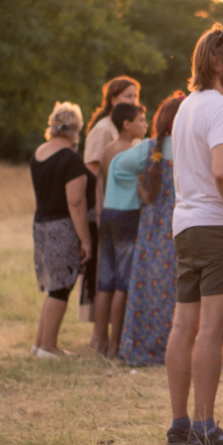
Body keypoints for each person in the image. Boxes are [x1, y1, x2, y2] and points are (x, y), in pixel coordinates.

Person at [165, 25, 223, 445]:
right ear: (219, 63)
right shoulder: (222, 107)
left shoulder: (185, 107)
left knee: (184, 325)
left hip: (185, 225)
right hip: (219, 226)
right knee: (214, 330)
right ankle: (205, 426)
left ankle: (180, 423)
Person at [118, 92, 184, 366]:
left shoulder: (148, 150)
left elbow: (119, 168)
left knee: (148, 287)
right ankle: (174, 349)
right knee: (177, 291)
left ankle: (144, 347)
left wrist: (139, 189)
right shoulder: (190, 148)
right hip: (182, 229)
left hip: (153, 230)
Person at [29, 102, 93, 359]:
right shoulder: (71, 159)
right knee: (61, 288)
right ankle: (48, 346)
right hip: (63, 227)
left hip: (41, 225)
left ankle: (39, 343)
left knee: (53, 286)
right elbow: (75, 202)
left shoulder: (39, 153)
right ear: (76, 129)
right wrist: (85, 239)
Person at [81, 77, 140, 324]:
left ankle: (105, 335)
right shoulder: (105, 129)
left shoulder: (126, 128)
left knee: (109, 275)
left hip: (114, 206)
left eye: (135, 96)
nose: (133, 100)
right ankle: (107, 335)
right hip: (111, 206)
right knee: (113, 275)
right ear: (113, 99)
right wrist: (98, 208)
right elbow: (93, 171)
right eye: (128, 96)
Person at [93, 102, 148, 358]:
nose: (145, 125)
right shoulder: (131, 153)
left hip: (108, 213)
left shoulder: (106, 151)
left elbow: (105, 183)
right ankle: (116, 344)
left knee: (105, 281)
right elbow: (140, 188)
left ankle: (100, 341)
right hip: (127, 215)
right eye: (140, 120)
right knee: (122, 284)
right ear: (127, 124)